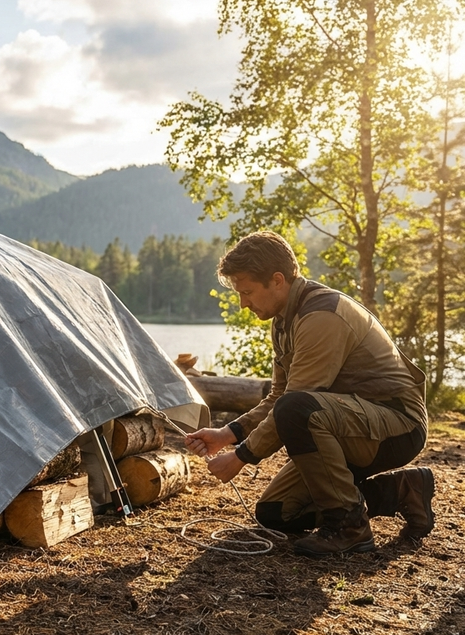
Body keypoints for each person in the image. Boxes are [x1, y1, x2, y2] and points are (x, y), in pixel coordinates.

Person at [185, 231, 433, 557]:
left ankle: (349, 527)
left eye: (247, 292)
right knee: (277, 513)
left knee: (297, 409)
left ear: (277, 280)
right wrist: (226, 435)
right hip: (347, 425)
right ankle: (400, 491)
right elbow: (279, 397)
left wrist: (242, 456)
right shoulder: (284, 319)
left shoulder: (321, 316)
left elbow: (296, 403)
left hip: (398, 425)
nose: (244, 303)